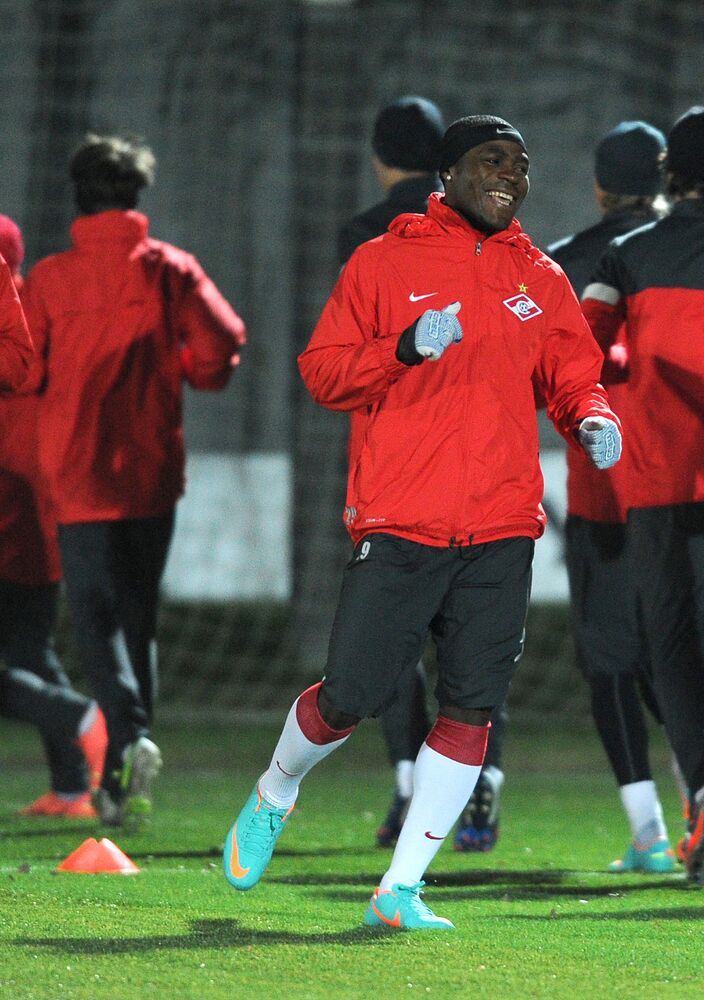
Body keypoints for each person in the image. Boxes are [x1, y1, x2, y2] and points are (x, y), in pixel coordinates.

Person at [222, 115, 621, 931]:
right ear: (447, 173)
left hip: (502, 526)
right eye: (490, 160)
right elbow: (323, 373)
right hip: (402, 519)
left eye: (520, 163)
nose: (509, 174)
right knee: (351, 696)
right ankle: (276, 789)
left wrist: (592, 418)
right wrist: (401, 347)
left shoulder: (540, 279)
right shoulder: (381, 262)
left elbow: (575, 376)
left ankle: (399, 889)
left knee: (472, 707)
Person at [582, 107, 704, 887]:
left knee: (669, 641)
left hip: (661, 470)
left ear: (669, 175)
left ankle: (702, 785)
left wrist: (640, 376)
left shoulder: (629, 254)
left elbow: (587, 350)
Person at [22, 136, 246, 826]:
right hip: (151, 472)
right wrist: (178, 368)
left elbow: (25, 370)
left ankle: (125, 733)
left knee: (94, 619)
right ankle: (126, 768)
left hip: (80, 471)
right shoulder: (171, 269)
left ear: (78, 196)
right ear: (137, 196)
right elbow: (221, 347)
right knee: (138, 615)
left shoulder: (53, 279)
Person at [333, 95, 512, 853]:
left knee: (394, 638)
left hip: (394, 471)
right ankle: (484, 786)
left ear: (380, 157)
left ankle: (407, 782)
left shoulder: (362, 239)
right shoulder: (491, 233)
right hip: (480, 470)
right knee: (472, 649)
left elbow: (345, 358)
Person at [548, 121, 675, 873]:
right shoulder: (691, 250)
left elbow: (543, 371)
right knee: (679, 659)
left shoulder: (565, 261)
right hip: (684, 491)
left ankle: (649, 832)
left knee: (610, 664)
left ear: (599, 184)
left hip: (600, 495)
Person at [0, 218, 107, 817]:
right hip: (42, 519)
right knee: (31, 652)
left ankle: (83, 717)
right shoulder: (37, 319)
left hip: (10, 516)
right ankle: (73, 785)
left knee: (28, 656)